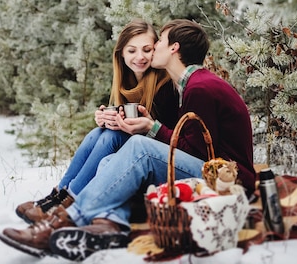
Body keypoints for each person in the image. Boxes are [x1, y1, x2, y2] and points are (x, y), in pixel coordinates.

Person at [0, 19, 256, 261]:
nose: (154, 48)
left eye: (159, 42)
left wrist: (152, 127)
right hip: (214, 171)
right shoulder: (193, 84)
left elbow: (199, 154)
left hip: (229, 180)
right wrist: (146, 123)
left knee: (138, 146)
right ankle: (112, 224)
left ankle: (64, 220)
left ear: (174, 48)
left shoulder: (199, 88)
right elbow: (193, 146)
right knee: (111, 160)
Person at [15, 18, 179, 224]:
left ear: (155, 49)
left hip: (157, 157)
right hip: (135, 149)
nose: (140, 57)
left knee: (112, 135)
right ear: (121, 53)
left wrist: (120, 125)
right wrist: (105, 118)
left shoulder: (165, 85)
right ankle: (59, 194)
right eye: (132, 51)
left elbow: (162, 136)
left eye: (147, 49)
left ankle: (69, 200)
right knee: (98, 133)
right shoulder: (127, 81)